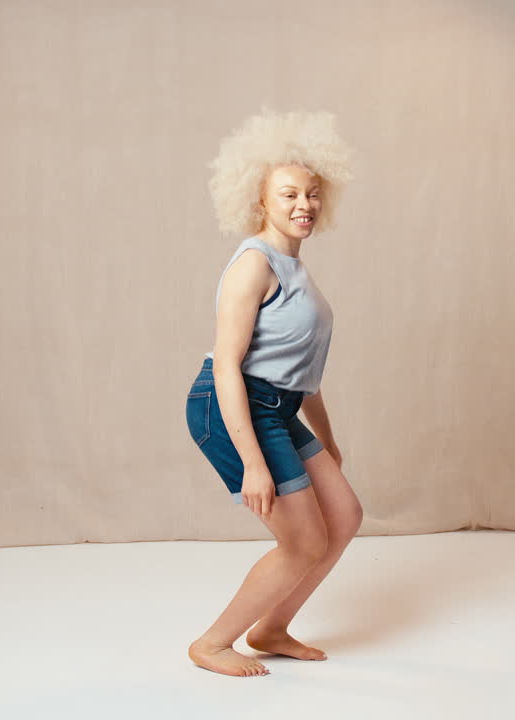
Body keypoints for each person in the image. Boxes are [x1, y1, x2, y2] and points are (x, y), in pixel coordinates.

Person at [184, 110, 362, 678]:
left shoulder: (295, 267)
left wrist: (327, 442)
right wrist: (254, 464)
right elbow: (228, 367)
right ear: (259, 200)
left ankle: (272, 629)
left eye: (311, 193)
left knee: (345, 515)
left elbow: (302, 374)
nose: (303, 204)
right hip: (230, 404)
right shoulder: (255, 264)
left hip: (277, 407)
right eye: (288, 194)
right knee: (303, 541)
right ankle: (213, 644)